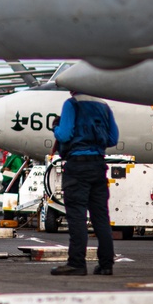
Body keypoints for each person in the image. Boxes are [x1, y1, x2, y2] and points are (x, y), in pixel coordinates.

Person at [50, 91, 119, 276]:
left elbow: (64, 135)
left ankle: (77, 263)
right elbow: (113, 139)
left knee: (77, 217)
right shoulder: (104, 106)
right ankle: (106, 265)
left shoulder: (71, 104)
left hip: (77, 167)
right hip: (98, 166)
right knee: (101, 218)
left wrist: (55, 127)